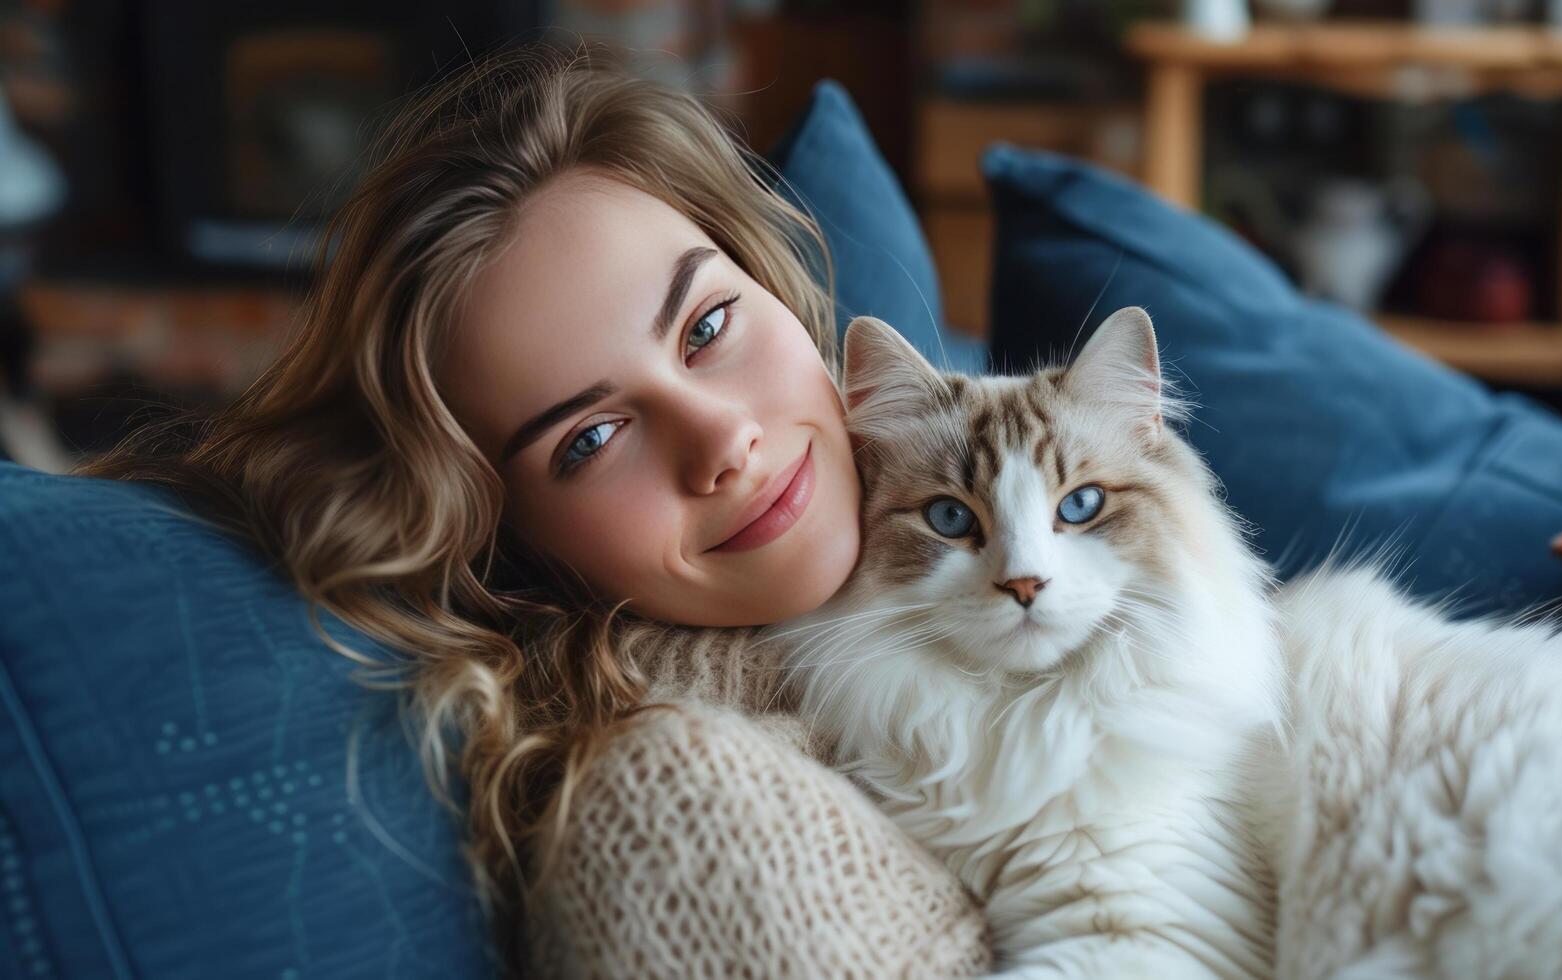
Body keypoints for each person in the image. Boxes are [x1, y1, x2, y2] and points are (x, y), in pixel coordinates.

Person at [80, 43, 991, 977]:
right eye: (589, 441)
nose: (720, 443)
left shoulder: (1020, 510)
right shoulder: (686, 819)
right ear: (506, 541)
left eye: (707, 326)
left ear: (770, 284)